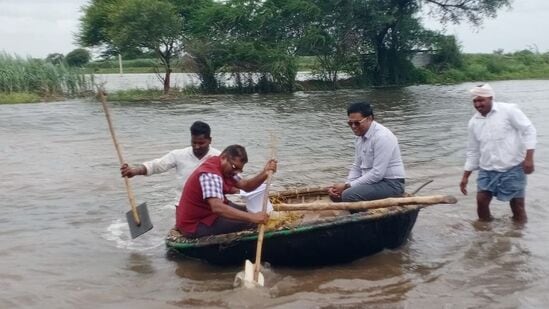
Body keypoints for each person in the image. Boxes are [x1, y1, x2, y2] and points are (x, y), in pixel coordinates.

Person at [460, 84, 536, 223]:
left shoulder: (508, 110)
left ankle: (518, 236)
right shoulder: (473, 122)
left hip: (513, 167)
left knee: (517, 206)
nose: (478, 104)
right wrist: (465, 176)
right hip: (487, 169)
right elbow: (473, 151)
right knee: (481, 201)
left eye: (481, 100)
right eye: (475, 101)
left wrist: (529, 158)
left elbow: (529, 130)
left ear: (491, 98)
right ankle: (485, 233)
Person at [176, 144, 277, 238]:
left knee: (250, 211)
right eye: (234, 167)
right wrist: (252, 217)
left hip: (210, 214)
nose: (236, 172)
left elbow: (246, 186)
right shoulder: (210, 174)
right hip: (195, 225)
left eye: (239, 170)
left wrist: (265, 173)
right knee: (253, 223)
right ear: (223, 157)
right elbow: (217, 207)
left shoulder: (228, 169)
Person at [120, 121, 221, 203]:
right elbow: (157, 166)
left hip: (211, 205)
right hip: (183, 205)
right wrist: (134, 171)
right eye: (194, 142)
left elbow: (233, 179)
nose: (197, 146)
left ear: (210, 140)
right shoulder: (178, 155)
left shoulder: (219, 157)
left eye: (201, 143)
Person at [328, 101, 406, 203]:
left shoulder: (382, 137)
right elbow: (356, 167)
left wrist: (347, 186)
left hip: (391, 184)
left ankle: (367, 216)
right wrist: (347, 184)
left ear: (369, 119)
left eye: (357, 123)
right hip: (374, 182)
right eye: (350, 123)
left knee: (348, 195)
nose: (353, 127)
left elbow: (377, 173)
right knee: (336, 193)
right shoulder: (360, 137)